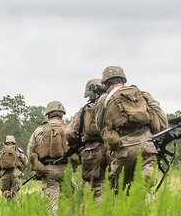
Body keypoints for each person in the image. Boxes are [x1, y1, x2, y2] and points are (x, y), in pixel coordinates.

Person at [94, 66, 168, 195]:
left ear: (106, 83)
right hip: (147, 146)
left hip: (124, 149)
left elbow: (99, 126)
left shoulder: (104, 99)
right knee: (145, 189)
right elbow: (162, 119)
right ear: (123, 79)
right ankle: (151, 214)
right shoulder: (141, 93)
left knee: (122, 193)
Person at [65, 78, 108, 203]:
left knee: (97, 188)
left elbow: (69, 133)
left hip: (92, 154)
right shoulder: (112, 104)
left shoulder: (84, 110)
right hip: (114, 150)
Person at [27, 101, 71, 212]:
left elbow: (30, 152)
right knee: (69, 200)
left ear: (48, 114)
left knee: (52, 204)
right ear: (62, 114)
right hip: (66, 169)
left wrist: (37, 167)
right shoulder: (68, 129)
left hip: (48, 170)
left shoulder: (39, 130)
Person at [0, 135, 26, 200]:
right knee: (15, 195)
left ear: (6, 142)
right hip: (15, 174)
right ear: (14, 142)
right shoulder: (19, 151)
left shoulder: (2, 152)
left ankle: (8, 195)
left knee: (5, 191)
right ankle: (15, 208)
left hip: (4, 175)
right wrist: (21, 170)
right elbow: (26, 162)